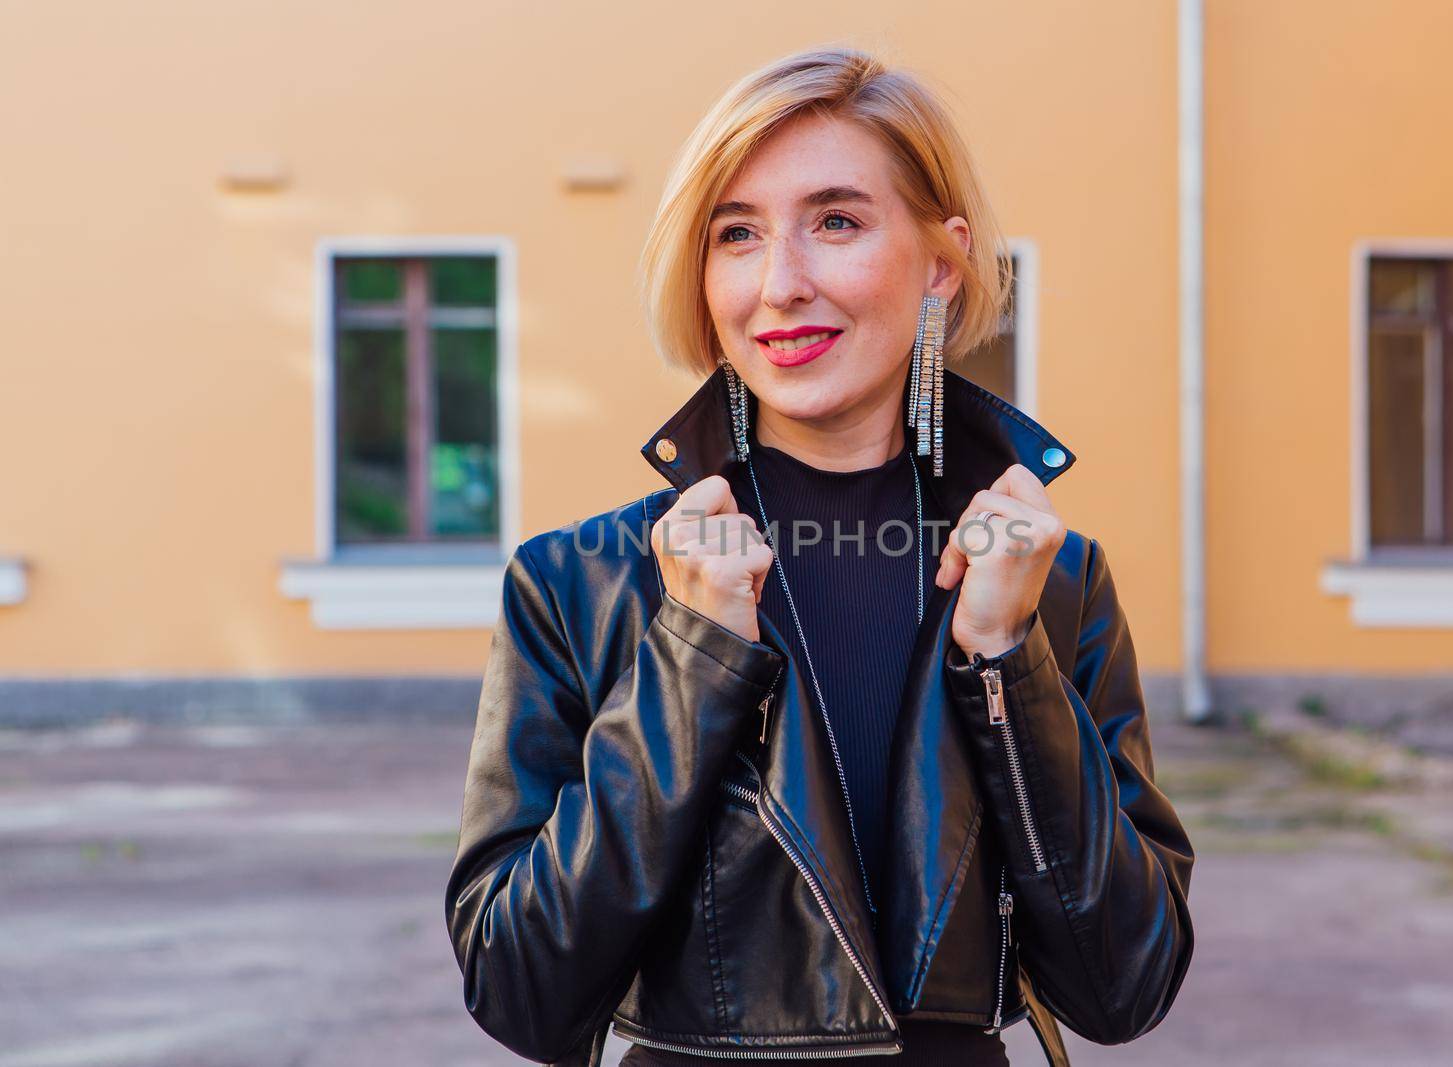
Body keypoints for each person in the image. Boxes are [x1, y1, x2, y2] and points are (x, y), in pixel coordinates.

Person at [445, 46, 1194, 1067]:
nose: (780, 284)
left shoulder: (1048, 582)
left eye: (835, 222)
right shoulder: (581, 581)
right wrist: (692, 656)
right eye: (737, 235)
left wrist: (1004, 656)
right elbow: (520, 987)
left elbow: (1126, 985)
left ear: (942, 261)